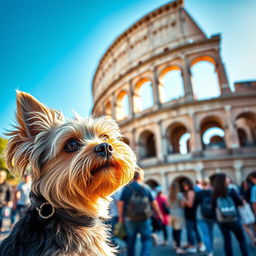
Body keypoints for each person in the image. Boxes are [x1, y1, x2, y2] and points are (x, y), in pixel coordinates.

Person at [117, 168, 163, 256]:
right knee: (146, 239)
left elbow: (120, 203)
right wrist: (159, 214)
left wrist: (120, 217)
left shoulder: (126, 188)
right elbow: (153, 202)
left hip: (130, 218)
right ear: (140, 176)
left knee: (131, 239)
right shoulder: (145, 188)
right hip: (145, 217)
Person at [212, 173, 249, 256]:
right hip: (234, 218)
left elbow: (213, 208)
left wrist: (216, 220)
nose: (228, 179)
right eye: (227, 178)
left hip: (222, 219)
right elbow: (239, 203)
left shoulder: (214, 193)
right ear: (224, 181)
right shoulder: (232, 191)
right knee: (241, 239)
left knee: (227, 240)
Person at [182, 179, 205, 254]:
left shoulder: (190, 192)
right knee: (195, 230)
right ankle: (200, 244)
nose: (184, 187)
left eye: (185, 185)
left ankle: (193, 246)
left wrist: (184, 200)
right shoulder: (189, 192)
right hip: (191, 214)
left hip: (191, 214)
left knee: (190, 231)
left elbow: (190, 204)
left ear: (188, 185)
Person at [195, 179, 215, 256]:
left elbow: (195, 204)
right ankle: (211, 248)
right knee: (210, 233)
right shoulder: (212, 193)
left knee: (205, 234)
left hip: (201, 215)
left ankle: (209, 251)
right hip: (211, 215)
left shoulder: (198, 193)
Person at [168, 181, 186, 254]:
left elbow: (167, 205)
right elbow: (182, 205)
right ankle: (178, 248)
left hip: (172, 214)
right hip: (179, 214)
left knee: (174, 230)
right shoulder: (180, 195)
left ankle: (175, 244)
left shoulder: (169, 195)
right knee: (178, 231)